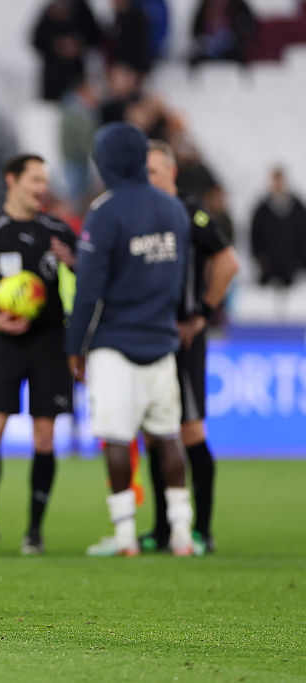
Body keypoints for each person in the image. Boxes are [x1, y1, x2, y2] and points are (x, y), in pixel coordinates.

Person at [65, 122, 196, 557]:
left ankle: (125, 537)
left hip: (114, 344)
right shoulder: (174, 210)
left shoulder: (105, 212)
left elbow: (88, 292)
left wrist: (74, 345)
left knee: (118, 438)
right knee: (168, 435)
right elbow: (180, 280)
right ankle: (181, 534)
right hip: (162, 341)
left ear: (105, 161)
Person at [0, 154, 76, 556]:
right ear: (13, 180)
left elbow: (91, 278)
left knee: (44, 436)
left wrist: (76, 263)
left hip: (50, 343)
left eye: (45, 180)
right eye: (35, 179)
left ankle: (34, 532)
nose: (42, 187)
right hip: (4, 344)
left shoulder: (57, 229)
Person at [142, 139, 239, 554]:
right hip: (145, 336)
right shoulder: (135, 212)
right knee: (155, 434)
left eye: (154, 171)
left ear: (171, 173)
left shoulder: (188, 211)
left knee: (190, 429)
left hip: (181, 337)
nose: (148, 179)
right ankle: (163, 528)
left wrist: (202, 313)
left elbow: (227, 262)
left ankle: (203, 528)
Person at [250, 167, 306, 288]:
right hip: (268, 268)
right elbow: (255, 235)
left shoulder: (297, 207)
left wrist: (298, 261)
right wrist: (260, 259)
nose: (278, 184)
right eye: (275, 180)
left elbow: (302, 235)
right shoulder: (262, 208)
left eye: (280, 180)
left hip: (292, 268)